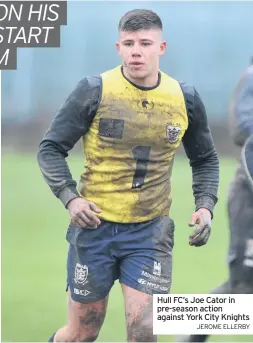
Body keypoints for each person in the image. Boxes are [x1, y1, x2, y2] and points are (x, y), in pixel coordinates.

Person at [37, 9, 219, 343]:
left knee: (145, 331)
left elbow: (205, 158)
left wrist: (205, 205)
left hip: (150, 231)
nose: (136, 50)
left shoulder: (184, 98)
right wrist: (71, 198)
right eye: (129, 43)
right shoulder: (94, 90)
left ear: (161, 47)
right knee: (81, 333)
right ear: (118, 47)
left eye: (145, 43)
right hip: (95, 229)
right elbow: (50, 148)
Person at [178, 59, 253, 343]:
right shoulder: (251, 77)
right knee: (245, 288)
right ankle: (191, 335)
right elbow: (242, 128)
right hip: (250, 198)